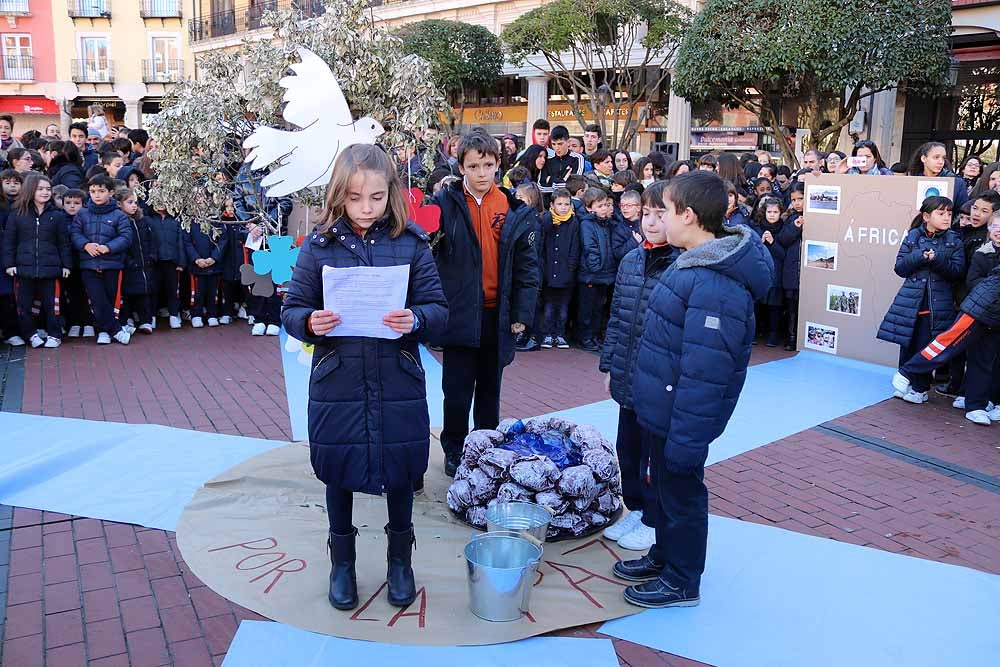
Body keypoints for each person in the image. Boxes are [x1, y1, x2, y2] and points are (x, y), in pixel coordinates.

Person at [281, 143, 447, 611]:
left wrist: (415, 319)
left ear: (390, 192)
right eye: (355, 198)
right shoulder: (319, 246)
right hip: (339, 379)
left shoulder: (411, 242)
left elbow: (438, 311)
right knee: (338, 467)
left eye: (375, 197)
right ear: (339, 195)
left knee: (400, 467)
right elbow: (292, 309)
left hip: (397, 376)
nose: (366, 208)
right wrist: (310, 322)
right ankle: (342, 562)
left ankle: (400, 560)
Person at [619, 170, 772, 608]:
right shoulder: (690, 263)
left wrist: (687, 438)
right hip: (661, 410)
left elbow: (706, 372)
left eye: (664, 210)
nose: (658, 219)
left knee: (681, 495)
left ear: (688, 216)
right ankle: (665, 556)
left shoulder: (715, 284)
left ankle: (682, 579)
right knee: (662, 491)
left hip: (679, 419)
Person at [431, 130, 539, 476]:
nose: (481, 173)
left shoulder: (512, 207)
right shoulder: (444, 205)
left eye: (488, 165)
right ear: (461, 166)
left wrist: (522, 314)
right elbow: (426, 255)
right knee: (457, 390)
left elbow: (527, 266)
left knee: (490, 389)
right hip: (460, 312)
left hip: (498, 313)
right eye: (473, 166)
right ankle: (454, 447)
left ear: (498, 164)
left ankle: (488, 444)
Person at [600, 180, 680, 552]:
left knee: (654, 454)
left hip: (659, 380)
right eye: (646, 213)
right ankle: (635, 507)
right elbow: (616, 317)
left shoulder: (681, 264)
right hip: (628, 372)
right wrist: (609, 365)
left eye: (660, 214)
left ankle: (654, 517)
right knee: (627, 449)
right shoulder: (631, 260)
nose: (651, 222)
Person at [877, 196, 965, 404]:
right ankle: (905, 381)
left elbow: (957, 272)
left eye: (949, 214)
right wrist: (919, 256)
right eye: (941, 213)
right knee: (907, 343)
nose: (946, 218)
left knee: (925, 347)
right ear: (926, 216)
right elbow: (900, 268)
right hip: (910, 302)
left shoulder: (954, 240)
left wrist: (937, 259)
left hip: (937, 305)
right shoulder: (913, 236)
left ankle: (921, 388)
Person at [892, 260, 1000, 424]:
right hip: (985, 305)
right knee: (947, 343)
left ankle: (975, 407)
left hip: (996, 318)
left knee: (984, 360)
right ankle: (908, 372)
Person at [2, 173, 72, 348]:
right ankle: (30, 335)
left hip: (50, 268)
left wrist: (66, 264)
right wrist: (9, 264)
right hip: (23, 268)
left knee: (52, 305)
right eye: (40, 189)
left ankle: (54, 335)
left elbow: (63, 243)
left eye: (48, 189)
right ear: (30, 190)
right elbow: (9, 242)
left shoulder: (57, 215)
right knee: (24, 306)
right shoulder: (17, 214)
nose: (45, 192)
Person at [71, 174, 133, 345]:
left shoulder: (118, 215)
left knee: (110, 299)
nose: (96, 195)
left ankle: (105, 332)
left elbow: (126, 236)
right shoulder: (82, 214)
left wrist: (109, 247)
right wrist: (85, 245)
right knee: (97, 299)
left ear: (111, 193)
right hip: (88, 264)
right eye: (92, 191)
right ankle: (116, 330)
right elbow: (75, 233)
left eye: (101, 191)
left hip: (112, 264)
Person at [537, 187, 579, 350]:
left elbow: (575, 248)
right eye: (559, 204)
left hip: (565, 272)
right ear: (552, 205)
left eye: (567, 204)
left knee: (563, 307)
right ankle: (547, 334)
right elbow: (542, 246)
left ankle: (559, 334)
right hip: (548, 271)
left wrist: (571, 268)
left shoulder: (574, 222)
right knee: (548, 306)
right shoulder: (546, 221)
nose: (563, 207)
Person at [576, 186, 617, 351]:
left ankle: (593, 336)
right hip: (591, 274)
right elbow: (590, 247)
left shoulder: (608, 223)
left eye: (606, 205)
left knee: (598, 308)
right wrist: (595, 266)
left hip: (605, 274)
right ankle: (584, 337)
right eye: (600, 206)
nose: (604, 209)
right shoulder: (587, 224)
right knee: (587, 308)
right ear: (589, 208)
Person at [116, 188, 157, 334]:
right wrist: (129, 262)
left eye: (136, 202)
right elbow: (120, 245)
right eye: (130, 202)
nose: (134, 205)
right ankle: (127, 319)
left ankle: (146, 320)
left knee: (144, 292)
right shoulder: (119, 220)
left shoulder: (142, 220)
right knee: (127, 293)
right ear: (120, 204)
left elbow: (150, 240)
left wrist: (152, 256)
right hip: (130, 266)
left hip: (145, 263)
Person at [751, 196, 787, 347]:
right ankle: (754, 333)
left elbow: (783, 254)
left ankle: (773, 334)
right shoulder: (757, 228)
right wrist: (760, 242)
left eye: (775, 212)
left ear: (780, 213)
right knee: (756, 305)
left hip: (776, 272)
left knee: (774, 306)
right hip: (759, 272)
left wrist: (772, 242)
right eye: (769, 211)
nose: (772, 215)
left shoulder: (784, 229)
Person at [60, 189, 94, 338]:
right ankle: (74, 322)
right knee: (72, 294)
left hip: (86, 262)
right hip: (68, 264)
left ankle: (88, 323)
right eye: (68, 203)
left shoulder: (87, 218)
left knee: (87, 294)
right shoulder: (60, 219)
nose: (72, 206)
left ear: (83, 204)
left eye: (76, 203)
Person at [182, 217, 227, 328]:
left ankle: (212, 314)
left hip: (214, 263)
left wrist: (214, 258)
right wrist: (196, 258)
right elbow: (186, 242)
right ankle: (196, 314)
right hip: (197, 264)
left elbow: (223, 240)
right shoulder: (189, 220)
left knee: (213, 290)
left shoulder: (216, 219)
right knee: (197, 291)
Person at [145, 202, 183, 329]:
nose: (160, 204)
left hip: (171, 261)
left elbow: (180, 242)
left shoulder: (175, 220)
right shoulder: (148, 220)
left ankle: (173, 315)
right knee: (153, 290)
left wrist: (181, 261)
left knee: (172, 290)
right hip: (155, 262)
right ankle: (152, 317)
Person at [778, 182, 805, 350]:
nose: (797, 203)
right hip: (792, 269)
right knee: (792, 305)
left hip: (809, 269)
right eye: (793, 199)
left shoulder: (821, 215)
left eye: (800, 199)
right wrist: (796, 227)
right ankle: (791, 336)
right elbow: (783, 239)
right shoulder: (791, 218)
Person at [907, 142, 969, 212]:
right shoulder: (912, 181)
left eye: (943, 158)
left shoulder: (956, 183)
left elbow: (963, 212)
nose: (941, 162)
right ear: (924, 158)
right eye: (936, 157)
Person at [542, 125, 585, 193]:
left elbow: (575, 186)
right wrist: (564, 180)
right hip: (549, 201)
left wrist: (551, 180)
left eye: (560, 144)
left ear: (568, 142)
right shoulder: (547, 159)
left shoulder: (577, 158)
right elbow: (541, 188)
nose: (556, 148)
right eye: (553, 144)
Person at [613, 189, 643, 264]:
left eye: (629, 205)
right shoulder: (618, 228)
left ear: (638, 207)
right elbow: (617, 254)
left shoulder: (646, 224)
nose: (624, 208)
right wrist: (634, 242)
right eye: (622, 205)